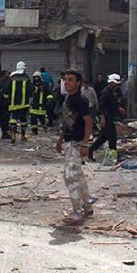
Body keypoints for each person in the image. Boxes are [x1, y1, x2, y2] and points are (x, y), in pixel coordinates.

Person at [55, 69, 94, 225]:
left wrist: (85, 144)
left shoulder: (80, 100)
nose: (67, 82)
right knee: (77, 174)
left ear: (78, 83)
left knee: (70, 175)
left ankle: (77, 211)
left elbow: (89, 123)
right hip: (69, 142)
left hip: (77, 143)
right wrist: (60, 140)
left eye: (70, 80)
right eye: (65, 79)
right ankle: (87, 205)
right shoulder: (67, 99)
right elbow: (66, 122)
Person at [89, 74, 126, 163]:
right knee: (111, 137)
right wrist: (102, 118)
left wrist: (118, 109)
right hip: (106, 117)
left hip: (109, 116)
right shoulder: (106, 92)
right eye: (116, 84)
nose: (117, 86)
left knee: (104, 137)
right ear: (112, 83)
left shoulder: (110, 92)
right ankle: (113, 156)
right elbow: (101, 106)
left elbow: (112, 104)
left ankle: (90, 151)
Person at [5, 61, 31, 143]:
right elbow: (31, 88)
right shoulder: (26, 77)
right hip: (24, 104)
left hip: (14, 104)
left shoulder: (12, 77)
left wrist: (6, 97)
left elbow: (7, 88)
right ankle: (23, 136)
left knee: (13, 119)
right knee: (23, 120)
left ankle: (13, 136)